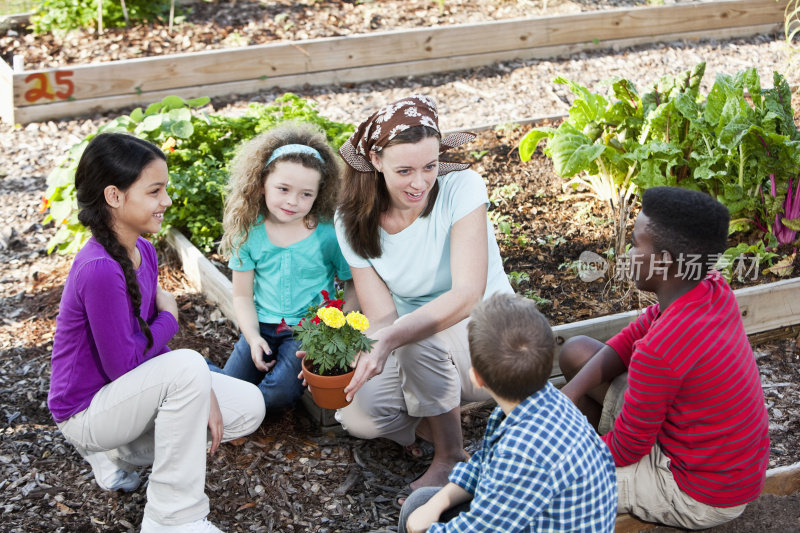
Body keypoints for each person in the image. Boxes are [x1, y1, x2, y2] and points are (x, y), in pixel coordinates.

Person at [47, 133, 265, 533]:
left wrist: (202, 387)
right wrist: (170, 317)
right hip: (86, 411)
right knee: (189, 365)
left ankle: (119, 456)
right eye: (155, 191)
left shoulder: (143, 250)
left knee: (248, 404)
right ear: (114, 196)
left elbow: (145, 354)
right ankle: (171, 518)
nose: (166, 201)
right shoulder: (99, 268)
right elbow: (124, 364)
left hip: (124, 399)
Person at [559, 186, 770, 530]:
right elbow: (633, 335)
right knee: (576, 352)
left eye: (635, 243)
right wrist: (569, 394)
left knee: (555, 486)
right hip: (721, 461)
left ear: (666, 262)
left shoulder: (660, 352)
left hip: (699, 492)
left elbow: (628, 447)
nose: (627, 252)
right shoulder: (710, 287)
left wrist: (559, 457)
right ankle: (585, 438)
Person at [334, 94, 514, 489]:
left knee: (416, 339)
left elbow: (468, 293)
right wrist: (344, 350)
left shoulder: (460, 187)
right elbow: (381, 315)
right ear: (376, 162)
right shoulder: (351, 220)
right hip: (418, 339)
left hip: (491, 333)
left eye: (430, 166)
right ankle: (443, 427)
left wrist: (394, 337)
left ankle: (450, 456)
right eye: (405, 170)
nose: (420, 183)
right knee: (361, 417)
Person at [399, 293, 618, 533]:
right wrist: (439, 502)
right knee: (421, 503)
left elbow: (480, 528)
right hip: (545, 515)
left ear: (476, 378)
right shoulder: (542, 401)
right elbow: (485, 463)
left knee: (415, 516)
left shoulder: (522, 455)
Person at [217, 122, 353, 411]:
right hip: (262, 326)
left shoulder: (328, 234)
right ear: (262, 182)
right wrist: (252, 338)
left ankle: (237, 411)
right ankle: (210, 389)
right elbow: (241, 295)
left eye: (306, 194)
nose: (293, 201)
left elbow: (351, 283)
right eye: (283, 188)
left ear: (320, 194)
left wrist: (336, 330)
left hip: (307, 330)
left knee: (280, 392)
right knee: (228, 382)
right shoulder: (249, 232)